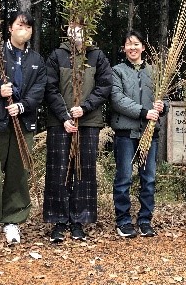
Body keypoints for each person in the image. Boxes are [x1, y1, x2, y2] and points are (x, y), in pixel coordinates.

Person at [0, 11, 46, 247]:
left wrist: (22, 106)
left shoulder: (36, 59)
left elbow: (38, 90)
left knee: (18, 174)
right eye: (20, 25)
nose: (24, 29)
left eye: (28, 26)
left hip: (23, 125)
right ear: (10, 28)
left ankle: (12, 221)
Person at [42, 22, 112, 243]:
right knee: (59, 170)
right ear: (67, 31)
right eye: (72, 29)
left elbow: (104, 86)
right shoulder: (57, 55)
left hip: (88, 122)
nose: (76, 34)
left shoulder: (97, 56)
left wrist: (85, 107)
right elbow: (49, 87)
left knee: (84, 171)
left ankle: (79, 220)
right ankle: (59, 221)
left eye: (81, 29)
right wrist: (64, 116)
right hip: (60, 122)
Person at [110, 30, 167, 238]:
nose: (132, 47)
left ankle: (144, 219)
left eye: (136, 44)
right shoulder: (117, 71)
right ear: (124, 48)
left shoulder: (155, 71)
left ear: (143, 47)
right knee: (124, 177)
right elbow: (117, 99)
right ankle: (123, 221)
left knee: (149, 178)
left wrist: (163, 106)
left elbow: (166, 98)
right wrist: (144, 112)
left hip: (149, 134)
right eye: (128, 44)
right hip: (126, 132)